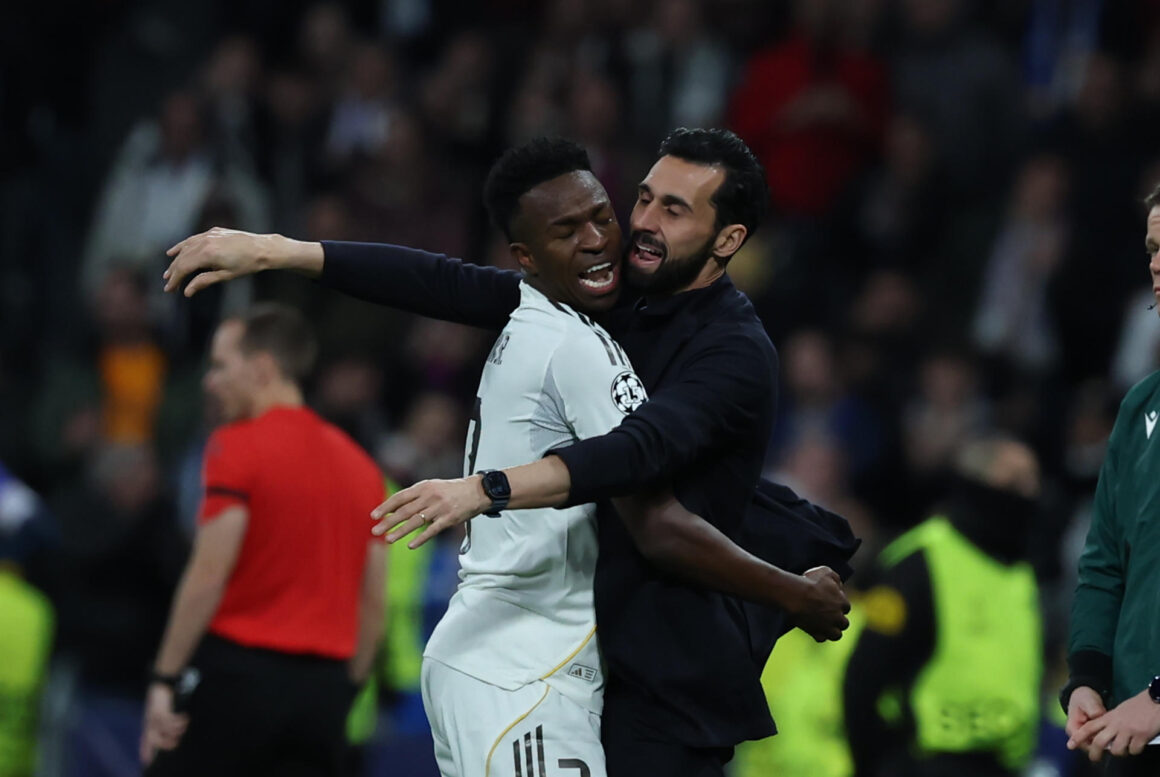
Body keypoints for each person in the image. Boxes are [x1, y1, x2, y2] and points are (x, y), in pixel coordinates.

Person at [162, 128, 853, 777]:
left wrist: (483, 488)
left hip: (668, 676)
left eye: (674, 209)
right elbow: (445, 282)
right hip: (585, 653)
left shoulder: (731, 352)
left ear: (728, 237)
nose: (642, 221)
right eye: (642, 197)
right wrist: (279, 251)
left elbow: (640, 461)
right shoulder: (617, 297)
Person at [140, 304, 387, 776]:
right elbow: (373, 602)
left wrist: (164, 678)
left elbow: (209, 573)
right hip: (324, 693)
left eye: (220, 365)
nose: (210, 382)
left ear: (262, 369)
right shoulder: (363, 468)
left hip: (237, 680)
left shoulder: (236, 447)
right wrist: (344, 690)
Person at [842, 437, 1044, 777]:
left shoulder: (1019, 571)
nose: (1030, 493)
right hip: (927, 761)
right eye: (1015, 481)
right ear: (977, 484)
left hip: (1007, 764)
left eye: (1033, 482)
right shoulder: (918, 561)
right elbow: (863, 679)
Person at [1062, 183, 1160, 776]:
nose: (1156, 262)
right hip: (1129, 735)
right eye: (1152, 246)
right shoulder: (1141, 405)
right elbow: (1103, 563)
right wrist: (1086, 680)